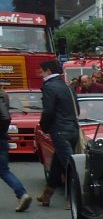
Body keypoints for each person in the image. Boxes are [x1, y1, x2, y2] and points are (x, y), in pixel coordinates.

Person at [36, 59, 80, 207]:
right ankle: (47, 195)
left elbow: (48, 111)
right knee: (57, 163)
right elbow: (77, 110)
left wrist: (44, 126)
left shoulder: (49, 86)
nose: (40, 75)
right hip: (73, 129)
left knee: (71, 166)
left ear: (48, 71)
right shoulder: (68, 87)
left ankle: (73, 200)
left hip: (60, 130)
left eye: (42, 72)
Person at [0, 86, 32, 211]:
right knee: (4, 170)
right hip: (2, 138)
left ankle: (22, 194)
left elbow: (5, 118)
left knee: (3, 170)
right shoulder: (3, 94)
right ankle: (22, 194)